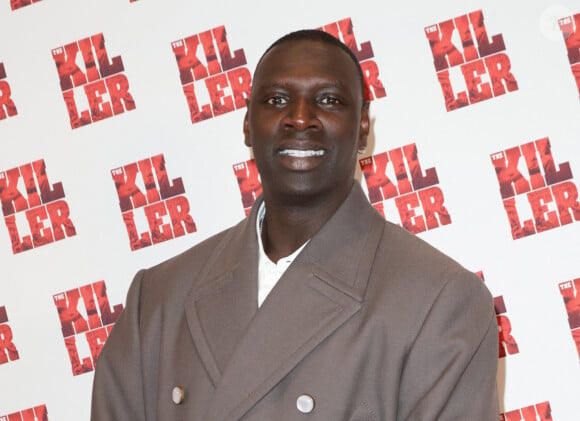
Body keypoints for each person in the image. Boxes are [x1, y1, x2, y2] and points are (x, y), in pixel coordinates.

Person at [91, 29, 498, 420]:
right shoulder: (159, 299)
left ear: (363, 129)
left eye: (329, 100)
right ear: (248, 125)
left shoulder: (439, 301)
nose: (300, 118)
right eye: (276, 99)